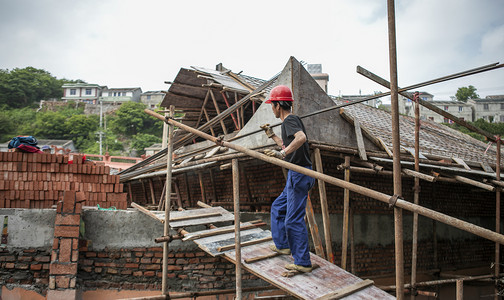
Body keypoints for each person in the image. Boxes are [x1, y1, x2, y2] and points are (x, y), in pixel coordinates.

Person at [261, 85, 315, 273]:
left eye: (272, 106)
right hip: (297, 173)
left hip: (299, 174)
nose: (272, 109)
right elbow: (290, 144)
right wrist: (272, 136)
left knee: (293, 220)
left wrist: (281, 154)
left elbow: (300, 138)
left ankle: (302, 262)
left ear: (278, 105)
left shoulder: (290, 120)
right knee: (278, 207)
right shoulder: (288, 123)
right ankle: (283, 245)